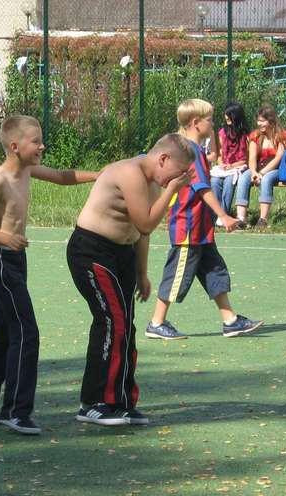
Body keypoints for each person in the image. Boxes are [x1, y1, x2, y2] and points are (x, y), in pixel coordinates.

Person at [0, 115, 97, 435]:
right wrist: (5, 238)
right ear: (14, 146)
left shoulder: (27, 170)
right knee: (26, 332)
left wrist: (98, 175)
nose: (42, 146)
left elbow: (62, 176)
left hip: (15, 261)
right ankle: (16, 411)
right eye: (36, 141)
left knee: (5, 332)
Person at [67, 133, 196, 426]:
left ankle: (121, 401)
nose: (175, 180)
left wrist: (141, 273)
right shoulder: (130, 173)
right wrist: (171, 190)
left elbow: (140, 234)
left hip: (121, 254)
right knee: (112, 322)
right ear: (163, 159)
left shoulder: (153, 181)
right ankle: (93, 402)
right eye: (176, 173)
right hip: (91, 251)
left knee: (126, 325)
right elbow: (146, 223)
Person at [145, 98, 262, 341]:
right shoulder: (191, 151)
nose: (214, 123)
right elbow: (202, 188)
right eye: (210, 120)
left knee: (214, 270)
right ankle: (156, 323)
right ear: (196, 123)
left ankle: (230, 321)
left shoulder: (193, 149)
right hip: (188, 227)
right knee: (177, 275)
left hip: (201, 228)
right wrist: (224, 216)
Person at [234, 105, 286, 229]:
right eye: (258, 121)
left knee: (266, 179)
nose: (259, 124)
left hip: (278, 169)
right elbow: (252, 158)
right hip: (258, 168)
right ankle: (241, 218)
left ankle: (263, 219)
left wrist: (262, 173)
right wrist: (254, 172)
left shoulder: (282, 135)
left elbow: (279, 158)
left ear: (271, 121)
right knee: (243, 177)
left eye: (262, 121)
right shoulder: (255, 136)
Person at [209, 102, 249, 224]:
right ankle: (214, 214)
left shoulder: (245, 135)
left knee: (229, 182)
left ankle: (224, 214)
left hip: (238, 167)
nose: (226, 116)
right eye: (226, 114)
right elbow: (219, 154)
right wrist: (221, 163)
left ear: (236, 116)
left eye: (229, 114)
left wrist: (232, 166)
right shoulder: (222, 133)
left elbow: (246, 159)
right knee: (215, 181)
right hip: (224, 167)